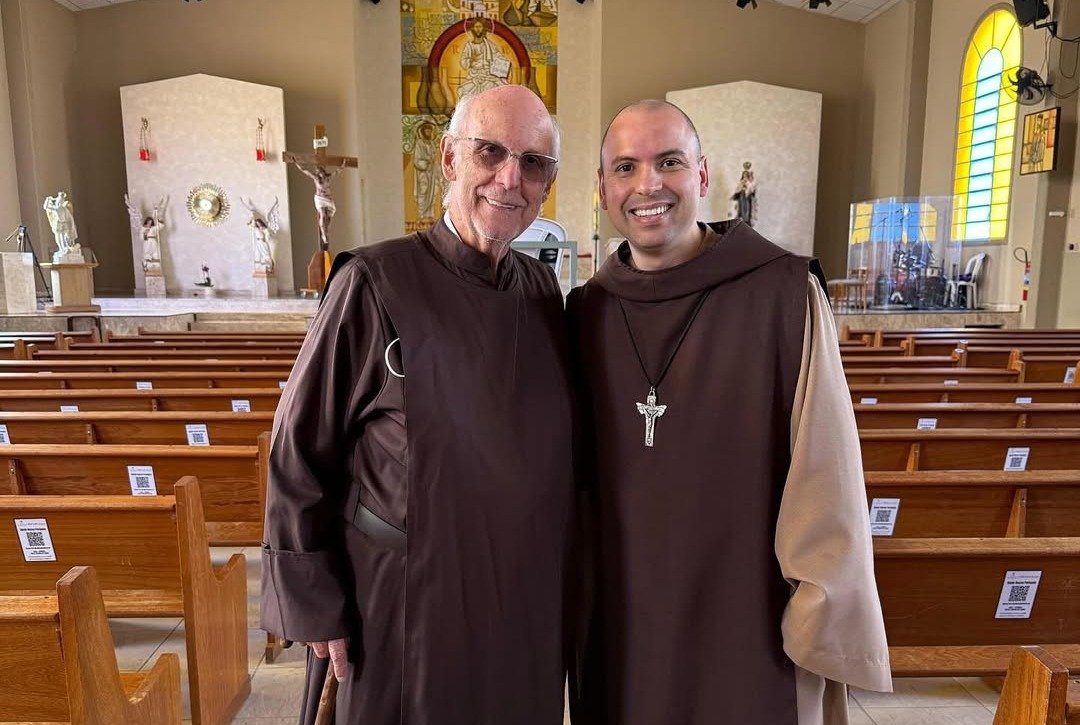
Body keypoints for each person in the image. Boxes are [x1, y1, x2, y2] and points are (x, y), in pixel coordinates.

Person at [567, 99, 892, 725]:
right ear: (603, 189)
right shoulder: (586, 314)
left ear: (704, 175)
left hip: (746, 611)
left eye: (669, 162)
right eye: (626, 168)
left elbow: (827, 471)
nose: (648, 185)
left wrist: (820, 610)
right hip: (619, 614)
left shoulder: (783, 294)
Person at [261, 84, 573, 725]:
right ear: (450, 159)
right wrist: (316, 602)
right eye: (490, 152)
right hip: (402, 599)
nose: (510, 179)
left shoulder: (542, 290)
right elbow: (298, 449)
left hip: (520, 597)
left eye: (533, 163)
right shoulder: (373, 282)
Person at [458, 17, 510, 99]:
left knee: (494, 92)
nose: (478, 29)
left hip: (489, 76)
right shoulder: (469, 46)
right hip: (474, 76)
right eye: (476, 27)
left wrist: (504, 62)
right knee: (463, 91)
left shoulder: (490, 45)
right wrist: (471, 60)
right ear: (472, 29)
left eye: (480, 27)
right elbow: (463, 62)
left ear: (484, 29)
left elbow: (498, 56)